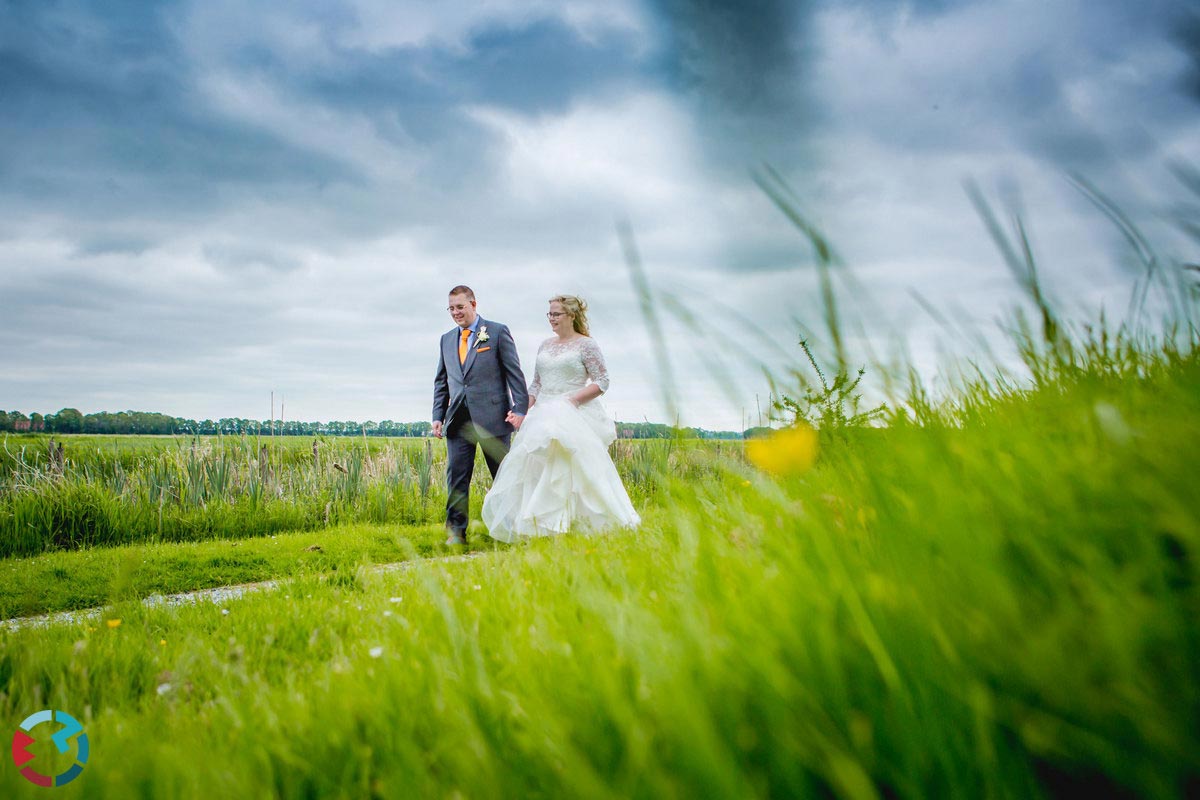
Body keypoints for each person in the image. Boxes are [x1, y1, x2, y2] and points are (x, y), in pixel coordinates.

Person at [482, 295, 640, 541]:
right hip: (543, 412)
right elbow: (536, 384)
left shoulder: (587, 345)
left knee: (573, 469)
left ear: (572, 316)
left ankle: (579, 525)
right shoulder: (545, 345)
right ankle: (544, 527)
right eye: (550, 314)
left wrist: (572, 401)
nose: (551, 319)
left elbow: (602, 381)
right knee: (539, 466)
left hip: (573, 412)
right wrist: (522, 408)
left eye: (556, 314)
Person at [432, 285, 528, 546]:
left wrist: (520, 409)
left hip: (493, 418)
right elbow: (442, 381)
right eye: (451, 308)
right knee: (457, 477)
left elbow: (514, 373)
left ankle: (510, 529)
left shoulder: (496, 332)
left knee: (503, 475)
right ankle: (456, 532)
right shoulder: (446, 339)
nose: (455, 313)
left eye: (460, 307)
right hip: (458, 420)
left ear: (474, 304)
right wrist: (437, 415)